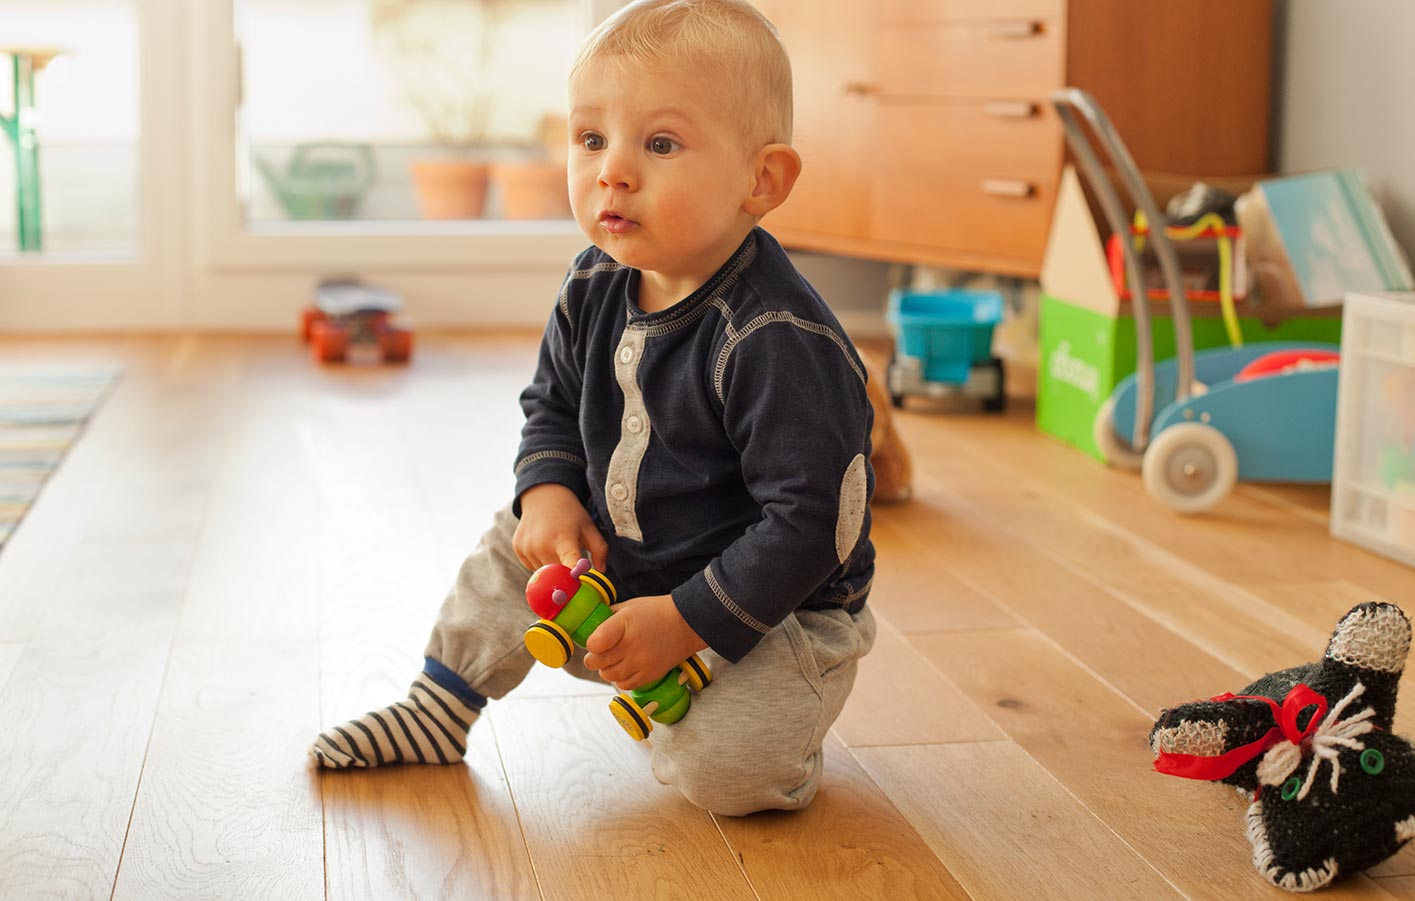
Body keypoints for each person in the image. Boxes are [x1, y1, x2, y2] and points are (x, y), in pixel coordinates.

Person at [310, 0, 877, 817]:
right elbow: (552, 402)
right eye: (590, 139)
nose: (612, 169)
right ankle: (440, 705)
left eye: (660, 143)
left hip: (771, 610)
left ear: (763, 180)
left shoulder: (774, 337)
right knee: (512, 546)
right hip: (623, 560)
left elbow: (811, 523)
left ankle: (738, 723)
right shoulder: (594, 279)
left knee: (729, 777)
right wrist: (547, 492)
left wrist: (686, 622)